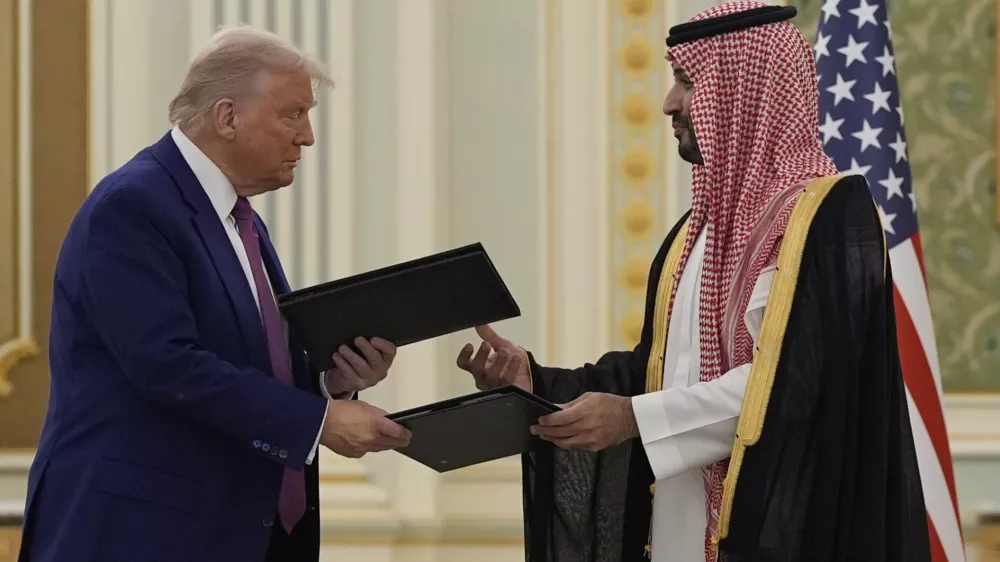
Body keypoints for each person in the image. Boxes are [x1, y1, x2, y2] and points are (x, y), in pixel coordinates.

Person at [457, 3, 931, 562]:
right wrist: (537, 381)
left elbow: (801, 383)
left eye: (686, 81)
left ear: (745, 91)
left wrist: (634, 418)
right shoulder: (695, 233)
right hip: (675, 530)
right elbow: (657, 372)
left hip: (783, 532)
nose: (669, 103)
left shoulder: (827, 216)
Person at [18, 25, 411, 562]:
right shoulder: (131, 206)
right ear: (227, 117)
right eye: (293, 114)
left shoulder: (237, 217)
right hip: (143, 534)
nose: (307, 137)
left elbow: (243, 359)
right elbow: (166, 365)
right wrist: (317, 422)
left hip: (241, 532)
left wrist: (330, 382)